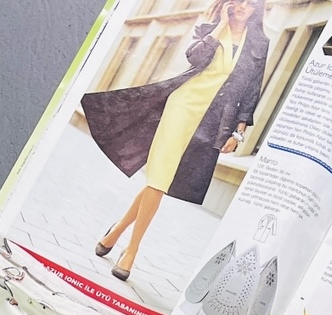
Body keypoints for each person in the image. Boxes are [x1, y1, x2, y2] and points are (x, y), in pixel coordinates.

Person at [80, 0, 270, 281]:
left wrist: (239, 132)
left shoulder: (259, 43)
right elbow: (195, 58)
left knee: (162, 181)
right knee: (159, 180)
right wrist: (220, 27)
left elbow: (252, 90)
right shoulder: (209, 27)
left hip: (213, 121)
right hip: (181, 107)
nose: (243, 7)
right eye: (238, 1)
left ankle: (117, 230)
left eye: (250, 3)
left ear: (257, 9)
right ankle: (131, 251)